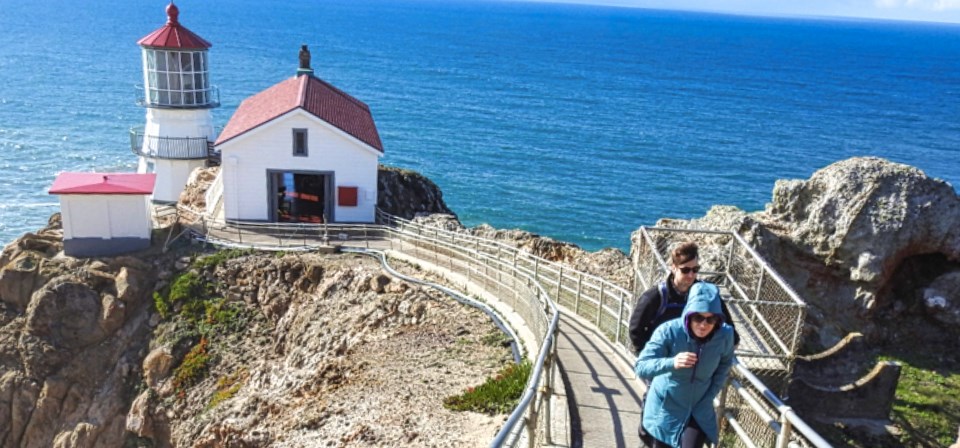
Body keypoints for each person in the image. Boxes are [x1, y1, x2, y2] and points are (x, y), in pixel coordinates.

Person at [635, 282, 736, 448]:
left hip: (698, 408)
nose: (703, 325)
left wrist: (710, 395)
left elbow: (724, 364)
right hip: (666, 407)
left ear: (718, 319)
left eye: (710, 319)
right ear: (688, 315)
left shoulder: (725, 335)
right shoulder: (669, 331)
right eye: (698, 317)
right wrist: (672, 362)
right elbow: (641, 366)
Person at [629, 241, 738, 354]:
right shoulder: (655, 297)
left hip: (696, 362)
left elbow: (729, 327)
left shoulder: (708, 295)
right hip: (662, 361)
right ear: (674, 268)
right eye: (685, 270)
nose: (691, 275)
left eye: (695, 269)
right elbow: (636, 329)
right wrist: (648, 357)